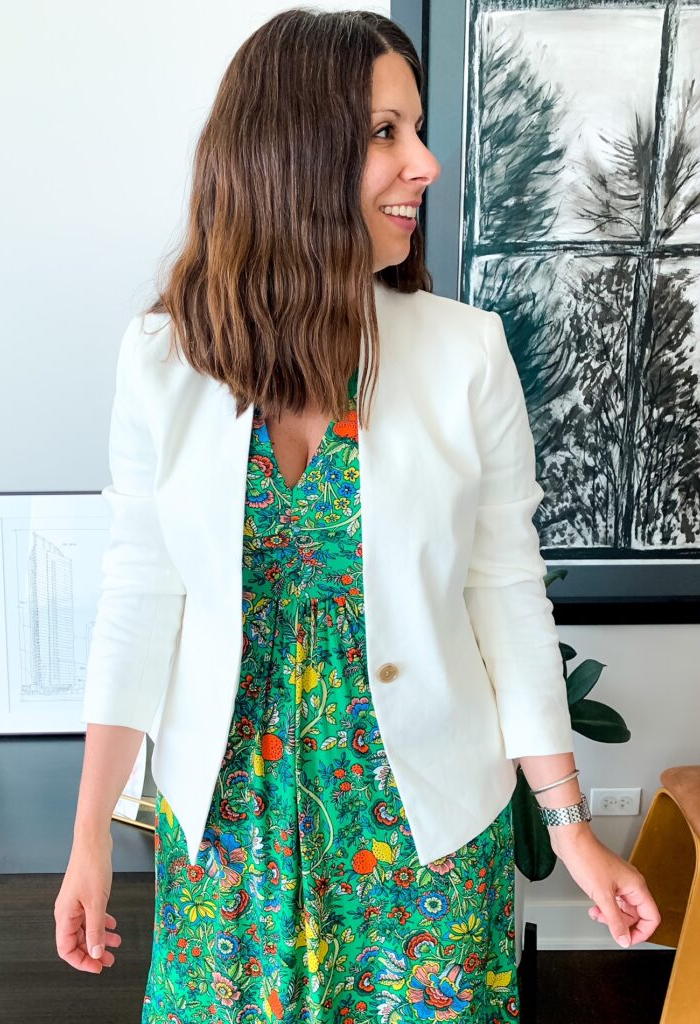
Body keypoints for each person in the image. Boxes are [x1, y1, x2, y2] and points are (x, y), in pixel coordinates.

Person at [54, 7, 661, 1021]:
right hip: (228, 835)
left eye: (416, 130)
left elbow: (506, 598)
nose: (423, 164)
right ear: (291, 153)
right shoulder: (162, 359)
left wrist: (571, 832)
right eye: (386, 132)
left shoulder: (465, 354)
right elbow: (140, 592)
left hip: (423, 833)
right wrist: (84, 841)